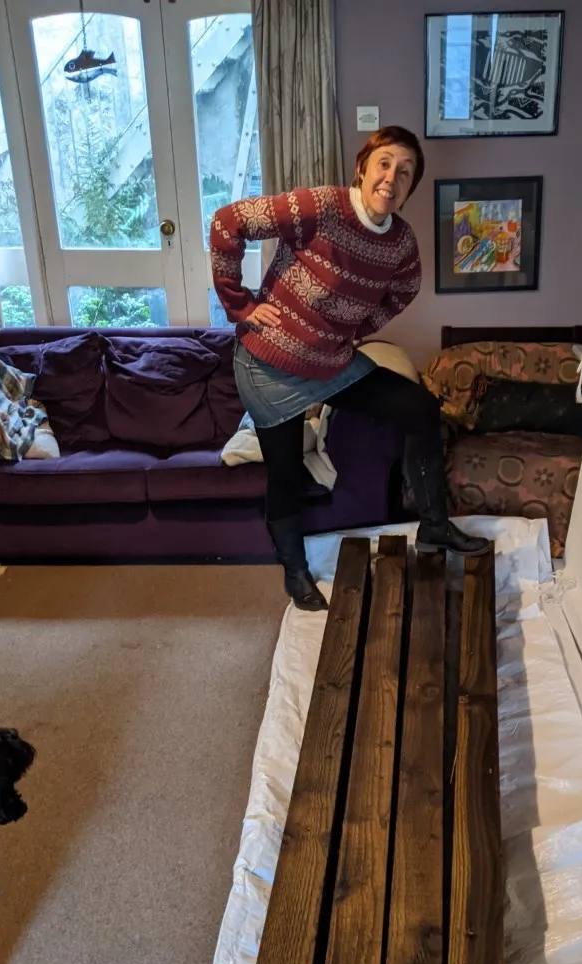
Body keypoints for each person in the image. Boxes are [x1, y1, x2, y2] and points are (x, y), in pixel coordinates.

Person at [210, 124, 490, 611]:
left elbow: (404, 289)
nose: (392, 177)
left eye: (405, 172)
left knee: (420, 409)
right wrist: (240, 305)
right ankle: (295, 573)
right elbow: (227, 222)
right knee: (286, 469)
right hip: (268, 366)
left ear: (408, 190)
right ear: (362, 169)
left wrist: (355, 329)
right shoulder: (321, 207)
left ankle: (434, 526)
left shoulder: (400, 243)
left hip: (331, 362)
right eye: (384, 164)